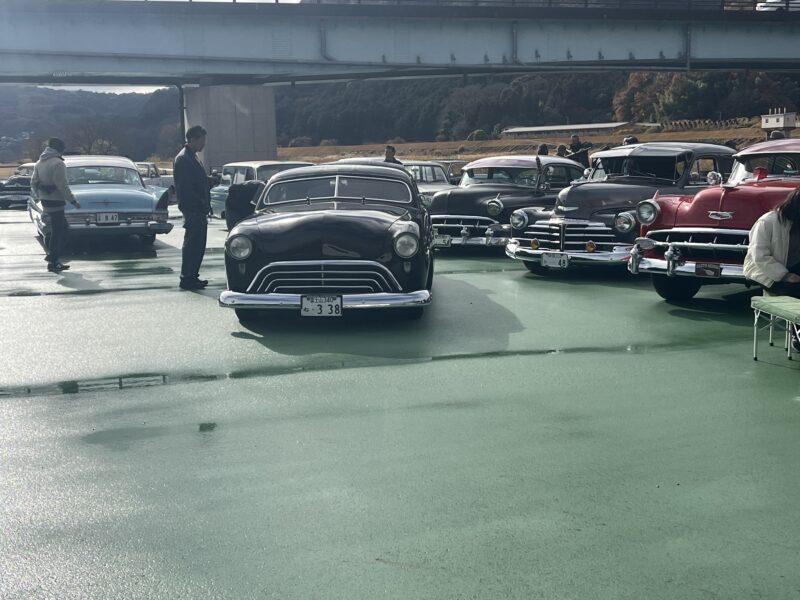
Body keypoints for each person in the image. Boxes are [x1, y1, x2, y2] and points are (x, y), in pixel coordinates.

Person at [744, 189, 800, 347]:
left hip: (791, 267)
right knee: (796, 292)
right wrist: (785, 275)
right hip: (764, 272)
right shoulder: (767, 222)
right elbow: (759, 256)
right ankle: (797, 337)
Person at [30, 137, 80, 273]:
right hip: (56, 200)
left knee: (59, 230)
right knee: (61, 231)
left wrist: (40, 194)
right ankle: (53, 259)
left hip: (45, 200)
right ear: (59, 149)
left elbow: (33, 182)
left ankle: (53, 258)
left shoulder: (39, 162)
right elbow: (62, 185)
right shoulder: (58, 163)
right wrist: (73, 201)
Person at [174, 125, 213, 290]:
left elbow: (195, 182)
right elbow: (186, 189)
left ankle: (192, 276)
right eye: (202, 140)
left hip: (197, 207)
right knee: (193, 244)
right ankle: (187, 277)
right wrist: (201, 203)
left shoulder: (191, 156)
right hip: (193, 208)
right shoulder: (184, 159)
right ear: (193, 139)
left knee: (197, 244)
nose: (204, 143)